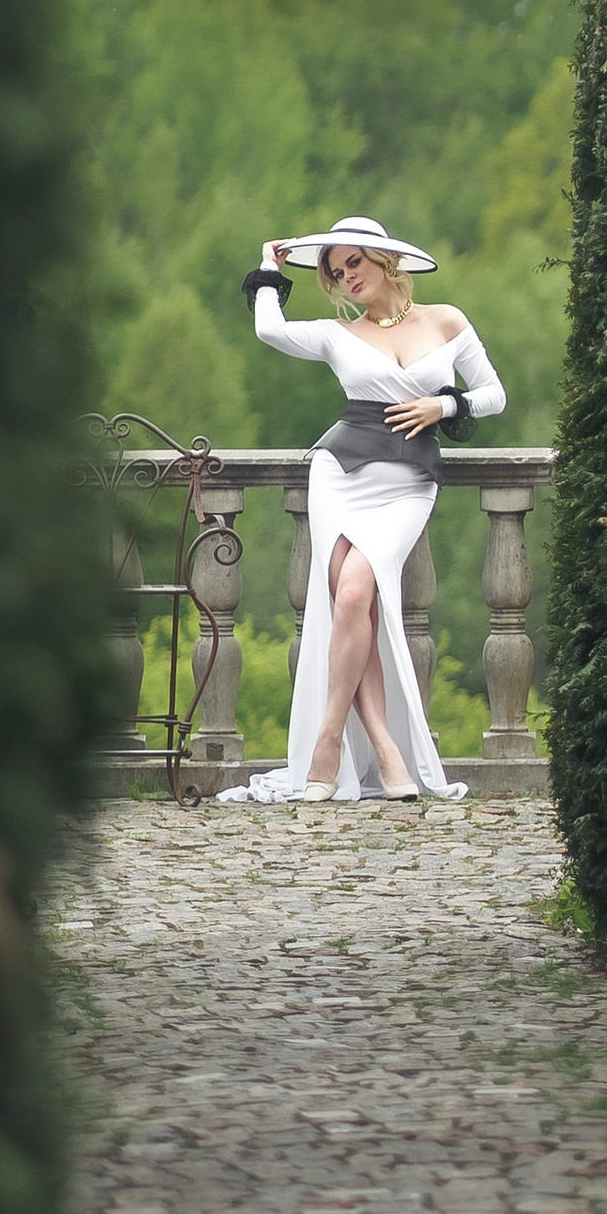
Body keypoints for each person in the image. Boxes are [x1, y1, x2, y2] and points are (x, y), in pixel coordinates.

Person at [225, 214, 505, 806]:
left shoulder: (446, 319)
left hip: (408, 484)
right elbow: (269, 331)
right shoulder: (336, 333)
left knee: (357, 594)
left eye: (354, 263)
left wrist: (443, 404)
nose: (346, 277)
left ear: (385, 261)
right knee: (352, 602)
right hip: (338, 475)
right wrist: (271, 268)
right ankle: (375, 746)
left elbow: (494, 394)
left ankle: (337, 740)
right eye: (334, 271)